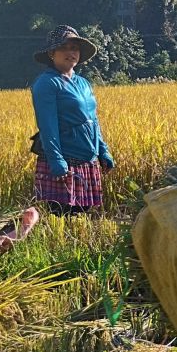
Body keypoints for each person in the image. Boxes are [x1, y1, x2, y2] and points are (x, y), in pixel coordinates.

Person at [30, 25, 114, 214]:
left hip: (87, 158)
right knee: (62, 216)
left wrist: (103, 151)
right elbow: (47, 126)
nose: (71, 52)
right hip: (65, 160)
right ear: (52, 53)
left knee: (82, 215)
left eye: (74, 48)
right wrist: (56, 161)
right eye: (64, 47)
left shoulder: (83, 83)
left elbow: (92, 120)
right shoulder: (46, 83)